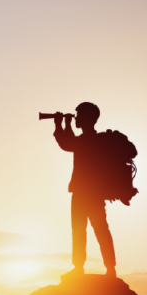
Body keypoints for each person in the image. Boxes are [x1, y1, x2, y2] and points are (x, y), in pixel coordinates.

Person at [52, 102, 116, 278]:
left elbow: (67, 143)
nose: (76, 117)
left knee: (91, 229)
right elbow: (71, 142)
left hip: (85, 193)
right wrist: (65, 124)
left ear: (88, 118)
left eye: (79, 115)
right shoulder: (95, 140)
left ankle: (90, 267)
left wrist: (61, 124)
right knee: (93, 229)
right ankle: (106, 268)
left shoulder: (90, 140)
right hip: (89, 193)